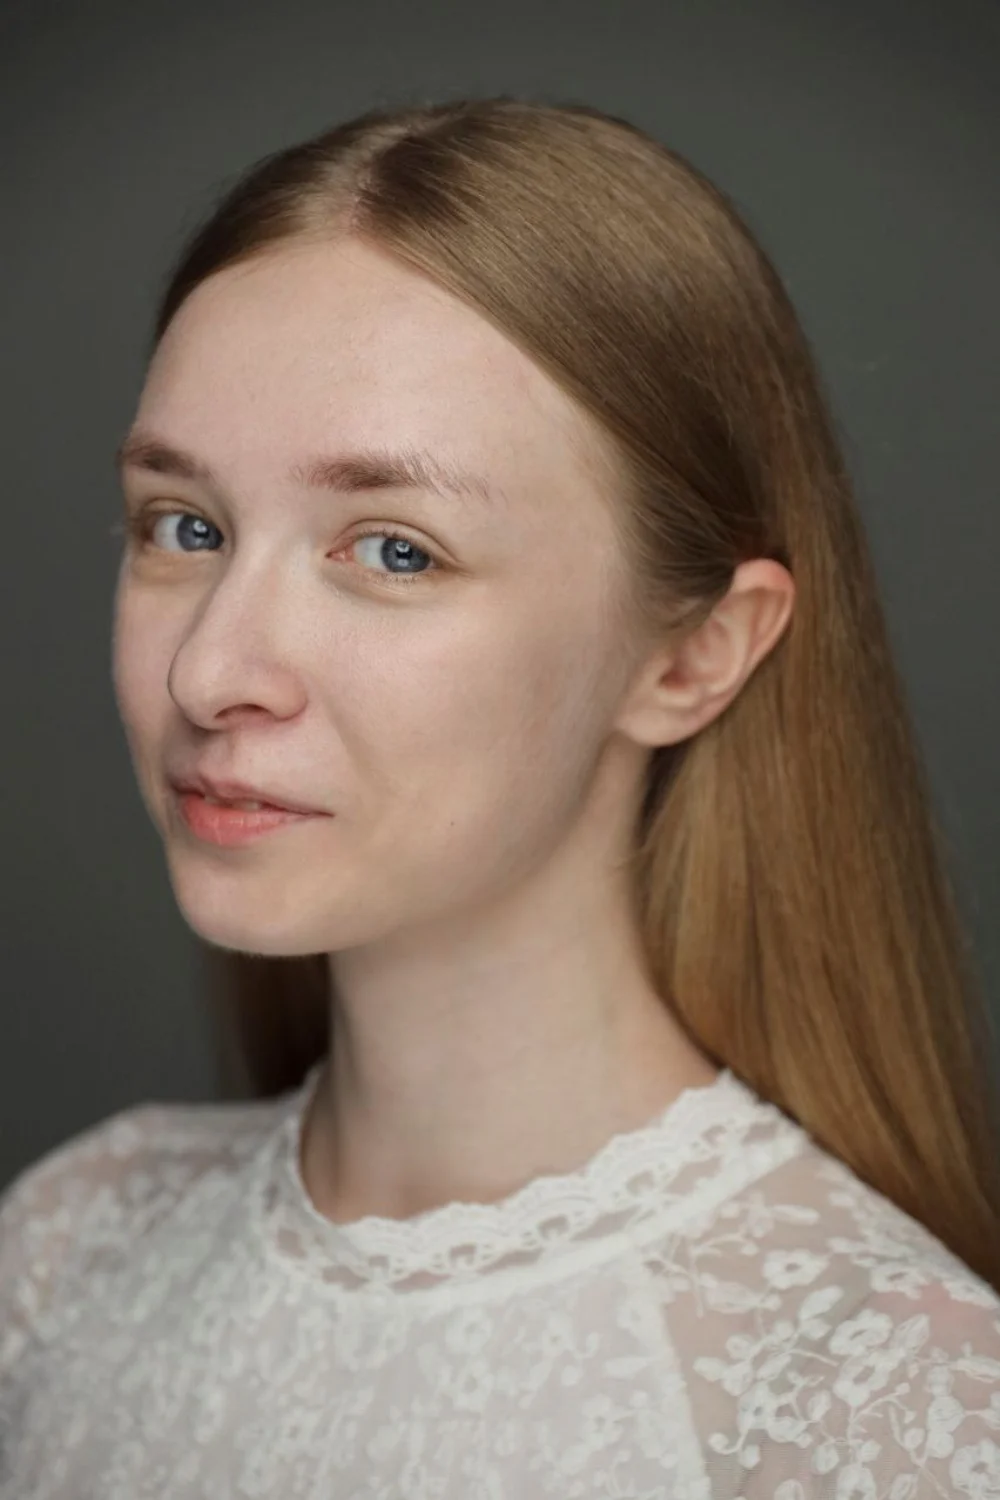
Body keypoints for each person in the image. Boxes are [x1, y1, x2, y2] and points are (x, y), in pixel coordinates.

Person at [1, 95, 999, 1499]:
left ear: (695, 655)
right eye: (186, 526)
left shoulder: (881, 1413)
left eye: (395, 551)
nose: (210, 671)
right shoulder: (64, 1256)